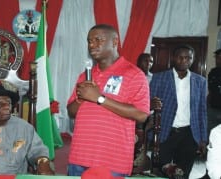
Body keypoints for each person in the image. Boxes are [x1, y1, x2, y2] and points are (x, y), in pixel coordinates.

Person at [66, 24, 150, 177]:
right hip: (79, 157)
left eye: (98, 40)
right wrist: (82, 98)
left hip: (112, 161)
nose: (92, 45)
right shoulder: (85, 76)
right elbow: (71, 112)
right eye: (89, 41)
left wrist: (99, 98)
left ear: (115, 42)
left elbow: (141, 114)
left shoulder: (134, 74)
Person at [150, 44, 207, 179]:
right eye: (180, 57)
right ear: (174, 58)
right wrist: (151, 104)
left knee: (183, 173)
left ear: (193, 60)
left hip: (189, 134)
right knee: (160, 172)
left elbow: (202, 111)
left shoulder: (200, 81)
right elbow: (147, 102)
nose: (184, 61)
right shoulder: (159, 78)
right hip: (164, 132)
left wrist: (203, 139)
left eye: (188, 58)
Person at [207, 49, 221, 134]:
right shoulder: (213, 72)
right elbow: (211, 90)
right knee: (210, 134)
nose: (218, 60)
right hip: (212, 110)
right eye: (217, 57)